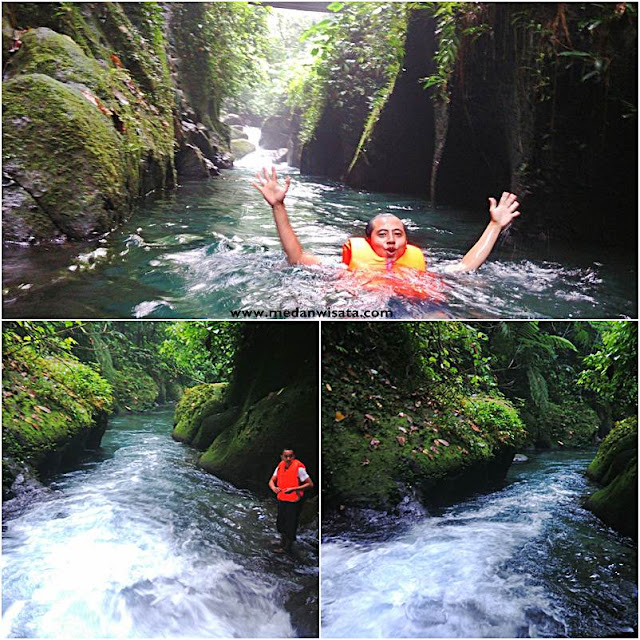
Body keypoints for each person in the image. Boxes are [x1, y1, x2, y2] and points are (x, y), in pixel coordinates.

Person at [252, 167, 521, 284]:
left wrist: (495, 225)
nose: (391, 240)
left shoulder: (420, 271)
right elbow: (296, 257)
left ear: (406, 241)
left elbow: (466, 266)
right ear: (368, 242)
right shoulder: (343, 271)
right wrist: (278, 206)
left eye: (397, 234)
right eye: (382, 234)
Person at [268, 448, 313, 553]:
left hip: (294, 501)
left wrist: (294, 489)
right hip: (282, 499)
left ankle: (287, 547)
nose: (288, 458)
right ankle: (282, 542)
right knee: (281, 522)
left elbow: (310, 484)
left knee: (290, 523)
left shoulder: (298, 468)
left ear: (294, 456)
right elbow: (271, 480)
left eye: (290, 456)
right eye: (286, 456)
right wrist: (273, 488)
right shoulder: (280, 466)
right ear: (282, 456)